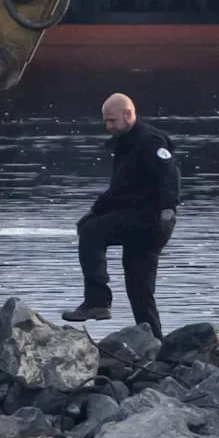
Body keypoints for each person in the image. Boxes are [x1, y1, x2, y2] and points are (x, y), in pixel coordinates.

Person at [62, 93, 180, 339]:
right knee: (139, 290)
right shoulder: (126, 144)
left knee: (91, 232)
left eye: (112, 120)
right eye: (105, 121)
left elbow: (169, 174)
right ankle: (156, 344)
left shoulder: (150, 141)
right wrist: (94, 212)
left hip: (151, 221)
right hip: (137, 220)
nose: (108, 127)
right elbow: (119, 190)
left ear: (129, 114)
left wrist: (168, 209)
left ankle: (97, 301)